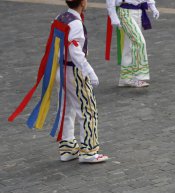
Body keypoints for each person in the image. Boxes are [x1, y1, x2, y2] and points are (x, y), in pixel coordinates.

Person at [9, 0, 109, 163]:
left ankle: (68, 147)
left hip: (60, 69)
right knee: (87, 110)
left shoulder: (61, 17)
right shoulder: (75, 23)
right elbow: (76, 52)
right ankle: (89, 151)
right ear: (83, 3)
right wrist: (89, 72)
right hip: (73, 70)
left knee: (66, 108)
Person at [106, 0, 159, 87]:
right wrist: (113, 16)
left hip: (138, 11)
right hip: (125, 12)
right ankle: (138, 76)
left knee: (129, 45)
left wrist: (153, 7)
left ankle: (125, 78)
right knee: (139, 43)